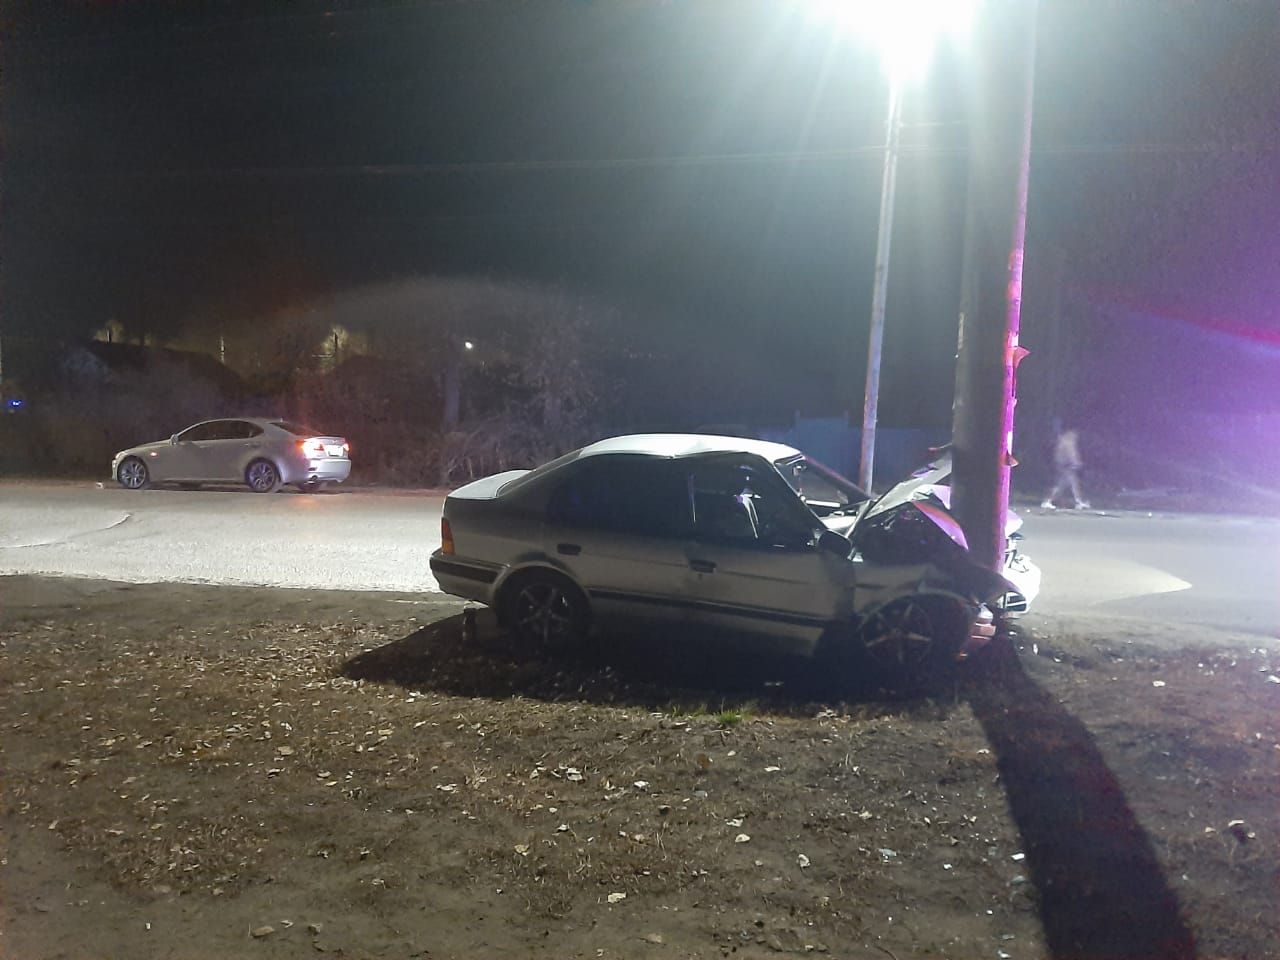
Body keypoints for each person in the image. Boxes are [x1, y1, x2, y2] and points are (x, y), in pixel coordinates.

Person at [1042, 427, 1090, 510]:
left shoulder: (1063, 441)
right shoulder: (1068, 442)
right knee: (1063, 485)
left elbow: (1059, 455)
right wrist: (1076, 462)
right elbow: (1071, 454)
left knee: (1072, 484)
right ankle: (1048, 501)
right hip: (1066, 466)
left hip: (1063, 466)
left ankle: (1078, 502)